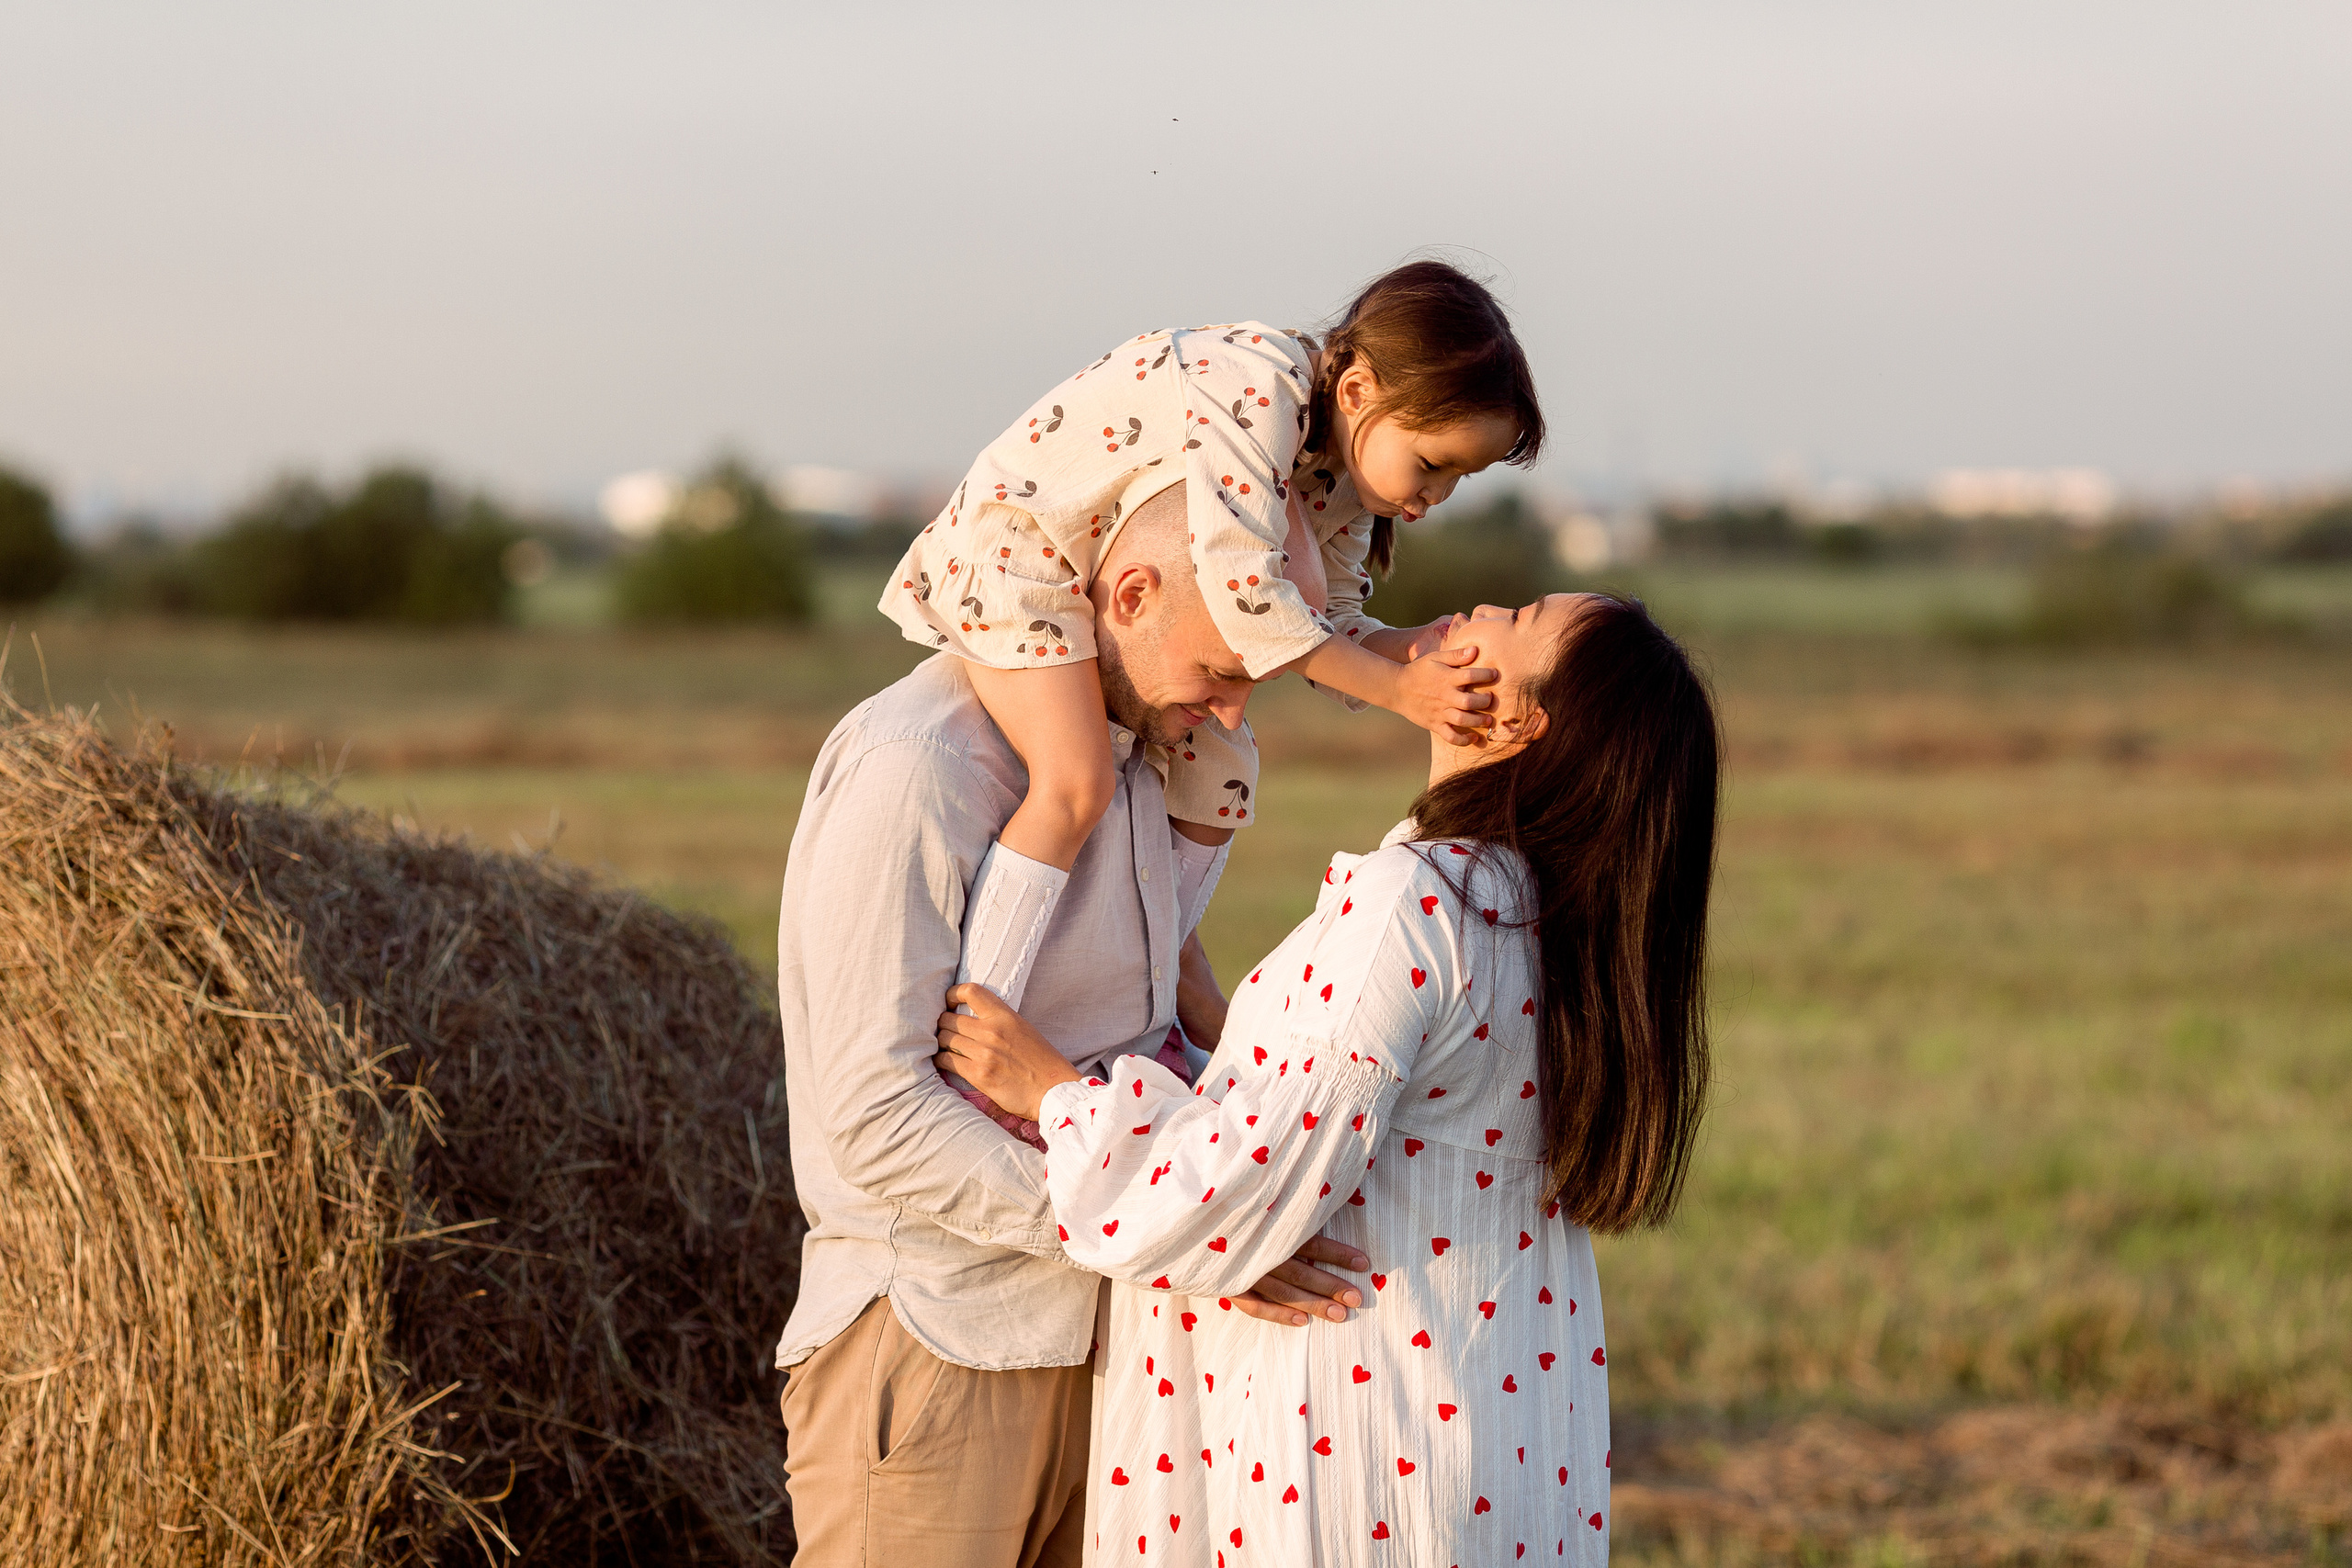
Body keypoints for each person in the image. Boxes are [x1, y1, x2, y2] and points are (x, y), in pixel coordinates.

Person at [936, 592, 1722, 1566]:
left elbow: (1233, 1192)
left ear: (1516, 721)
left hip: (1353, 1427)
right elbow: (1411, 1106)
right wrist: (1227, 1029)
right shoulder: (1551, 920)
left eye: (1514, 617)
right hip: (1486, 1426)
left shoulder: (1418, 901)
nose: (1474, 604)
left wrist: (1053, 1091)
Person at [774, 484, 1374, 1568]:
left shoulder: (1136, 763)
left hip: (1117, 1351)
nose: (1235, 714)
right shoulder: (922, 765)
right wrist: (1161, 1226)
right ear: (1132, 594)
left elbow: (1137, 1048)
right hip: (938, 1344)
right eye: (1224, 670)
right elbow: (876, 1115)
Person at [878, 260, 1544, 1073]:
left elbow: (1325, 626)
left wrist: (1413, 648)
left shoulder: (1337, 483)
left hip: (1115, 593)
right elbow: (1245, 595)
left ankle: (1151, 1006)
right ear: (1360, 390)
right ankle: (981, 1030)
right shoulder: (1258, 386)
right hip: (1028, 555)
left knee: (1223, 773)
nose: (1437, 495)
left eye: (1460, 478)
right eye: (1434, 462)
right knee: (1078, 777)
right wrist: (1402, 690)